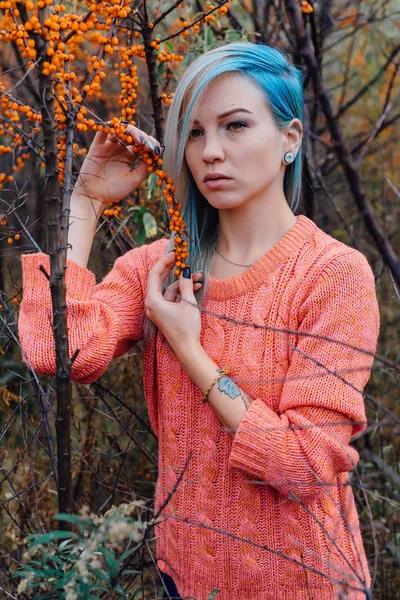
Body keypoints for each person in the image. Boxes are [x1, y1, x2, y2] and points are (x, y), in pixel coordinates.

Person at [18, 42, 380, 600]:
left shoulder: (333, 276)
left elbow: (305, 466)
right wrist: (86, 203)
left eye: (235, 126)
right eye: (194, 132)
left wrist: (191, 350)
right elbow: (59, 353)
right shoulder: (162, 266)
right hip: (184, 578)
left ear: (289, 140)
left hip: (303, 583)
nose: (211, 151)